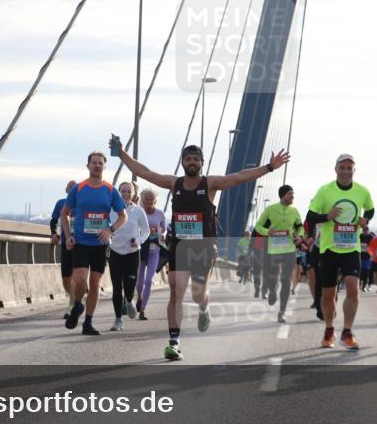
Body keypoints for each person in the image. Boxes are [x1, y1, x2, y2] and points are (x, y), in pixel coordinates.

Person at [113, 140, 289, 361]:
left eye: (196, 159)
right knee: (176, 291)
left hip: (204, 248)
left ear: (202, 163)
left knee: (197, 293)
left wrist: (269, 167)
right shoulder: (174, 183)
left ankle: (204, 308)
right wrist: (121, 153)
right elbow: (145, 172)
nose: (192, 162)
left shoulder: (210, 184)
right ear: (182, 162)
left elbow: (239, 177)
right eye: (188, 159)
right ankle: (174, 342)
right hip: (179, 246)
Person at [305, 154, 375, 350]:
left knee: (353, 288)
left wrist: (365, 219)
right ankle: (329, 330)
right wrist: (328, 216)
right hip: (329, 249)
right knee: (328, 294)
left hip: (351, 249)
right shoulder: (325, 191)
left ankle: (347, 331)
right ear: (335, 169)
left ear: (354, 170)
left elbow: (370, 209)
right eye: (342, 167)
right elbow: (310, 216)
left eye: (349, 168)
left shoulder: (362, 191)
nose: (345, 171)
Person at [60, 151, 128, 336]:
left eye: (100, 163)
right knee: (80, 279)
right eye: (94, 163)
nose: (97, 166)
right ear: (88, 165)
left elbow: (123, 215)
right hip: (81, 241)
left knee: (95, 283)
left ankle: (88, 323)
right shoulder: (79, 188)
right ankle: (77, 305)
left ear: (104, 167)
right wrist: (68, 236)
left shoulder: (110, 190)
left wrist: (110, 230)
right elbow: (64, 214)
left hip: (100, 243)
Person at [254, 185, 305, 323]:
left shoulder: (294, 211)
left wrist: (299, 236)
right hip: (273, 250)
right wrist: (266, 232)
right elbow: (258, 226)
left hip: (289, 250)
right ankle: (271, 290)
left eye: (293, 194)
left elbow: (300, 227)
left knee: (286, 281)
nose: (293, 196)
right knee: (273, 279)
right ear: (283, 195)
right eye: (290, 194)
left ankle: (281, 312)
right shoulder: (270, 209)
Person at [107, 182, 150, 331]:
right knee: (117, 287)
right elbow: (104, 225)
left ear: (134, 194)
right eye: (123, 191)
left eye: (128, 191)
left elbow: (146, 231)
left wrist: (138, 240)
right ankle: (118, 320)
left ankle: (130, 300)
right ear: (119, 192)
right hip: (115, 252)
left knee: (129, 285)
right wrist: (107, 236)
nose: (126, 193)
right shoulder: (111, 210)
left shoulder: (138, 211)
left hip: (132, 253)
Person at [135, 188, 166, 319]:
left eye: (151, 199)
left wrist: (163, 235)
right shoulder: (138, 212)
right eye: (146, 199)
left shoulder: (159, 213)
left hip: (155, 249)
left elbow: (163, 229)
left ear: (155, 200)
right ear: (142, 199)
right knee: (139, 280)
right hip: (141, 249)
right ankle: (139, 297)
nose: (149, 201)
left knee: (148, 281)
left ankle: (142, 310)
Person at [50, 180, 77, 317]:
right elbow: (53, 221)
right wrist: (54, 234)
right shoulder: (61, 203)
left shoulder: (83, 204)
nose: (72, 190)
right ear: (66, 190)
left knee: (76, 277)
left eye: (75, 188)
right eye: (70, 187)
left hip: (80, 245)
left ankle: (72, 307)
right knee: (66, 279)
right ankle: (76, 300)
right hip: (66, 244)